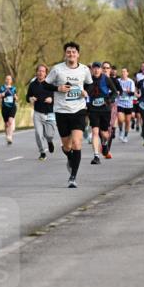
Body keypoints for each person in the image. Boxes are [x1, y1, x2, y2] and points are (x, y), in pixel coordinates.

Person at [44, 42, 93, 188]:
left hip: (78, 110)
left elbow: (89, 84)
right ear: (65, 54)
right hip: (61, 111)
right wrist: (57, 88)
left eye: (74, 52)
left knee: (77, 143)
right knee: (67, 146)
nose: (71, 54)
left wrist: (86, 92)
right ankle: (70, 157)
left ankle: (73, 177)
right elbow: (45, 85)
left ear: (78, 54)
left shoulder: (84, 69)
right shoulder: (57, 69)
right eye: (68, 52)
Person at [87, 62, 118, 164]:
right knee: (95, 132)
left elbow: (115, 92)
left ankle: (104, 143)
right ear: (92, 69)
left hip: (105, 109)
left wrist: (109, 100)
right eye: (94, 68)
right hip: (93, 109)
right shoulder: (88, 80)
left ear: (101, 69)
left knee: (104, 133)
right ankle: (96, 156)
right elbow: (83, 91)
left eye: (98, 68)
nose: (96, 70)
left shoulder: (106, 79)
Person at [27, 64, 56, 160]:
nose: (40, 73)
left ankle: (50, 141)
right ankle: (42, 152)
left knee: (49, 134)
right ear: (36, 72)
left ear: (46, 73)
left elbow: (57, 97)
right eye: (39, 71)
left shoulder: (50, 84)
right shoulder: (33, 84)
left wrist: (51, 99)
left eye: (43, 71)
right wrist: (30, 98)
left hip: (49, 113)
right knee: (38, 134)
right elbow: (27, 97)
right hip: (37, 113)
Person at [116, 67, 137, 142]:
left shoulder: (131, 81)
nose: (123, 73)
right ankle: (121, 130)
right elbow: (114, 90)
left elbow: (132, 93)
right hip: (120, 103)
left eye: (124, 72)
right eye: (122, 72)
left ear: (127, 73)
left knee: (128, 121)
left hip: (128, 104)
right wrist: (117, 92)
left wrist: (128, 92)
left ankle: (125, 136)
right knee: (120, 119)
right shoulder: (118, 81)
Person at [0, 75, 17, 145]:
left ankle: (9, 137)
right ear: (5, 80)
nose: (8, 80)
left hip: (12, 107)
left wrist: (15, 97)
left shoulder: (14, 88)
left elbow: (17, 98)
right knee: (6, 123)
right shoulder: (2, 88)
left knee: (10, 121)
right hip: (4, 107)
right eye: (7, 79)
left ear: (11, 81)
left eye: (9, 79)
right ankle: (7, 135)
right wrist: (2, 94)